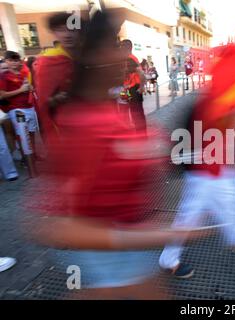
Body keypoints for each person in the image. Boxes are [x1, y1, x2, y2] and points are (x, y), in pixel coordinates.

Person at [29, 10, 209, 299]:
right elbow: (55, 226)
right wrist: (156, 234)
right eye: (114, 45)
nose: (122, 55)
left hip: (123, 246)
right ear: (94, 58)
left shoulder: (103, 111)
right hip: (109, 251)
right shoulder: (84, 123)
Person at [159, 29, 235, 279]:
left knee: (233, 200)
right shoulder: (222, 98)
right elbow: (211, 132)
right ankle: (168, 259)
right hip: (206, 169)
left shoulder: (229, 93)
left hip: (217, 166)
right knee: (191, 215)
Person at [34, 12, 81, 145]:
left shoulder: (85, 57)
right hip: (65, 125)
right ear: (54, 33)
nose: (67, 34)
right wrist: (56, 99)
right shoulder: (49, 60)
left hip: (89, 121)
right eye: (61, 30)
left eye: (72, 29)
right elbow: (44, 100)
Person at [0, 51, 38, 157]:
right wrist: (21, 90)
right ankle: (25, 159)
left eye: (16, 60)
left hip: (29, 108)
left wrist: (30, 88)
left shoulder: (23, 73)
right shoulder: (4, 76)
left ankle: (33, 155)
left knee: (31, 134)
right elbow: (2, 95)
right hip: (18, 111)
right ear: (6, 61)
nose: (14, 63)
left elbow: (28, 89)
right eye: (11, 60)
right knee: (22, 136)